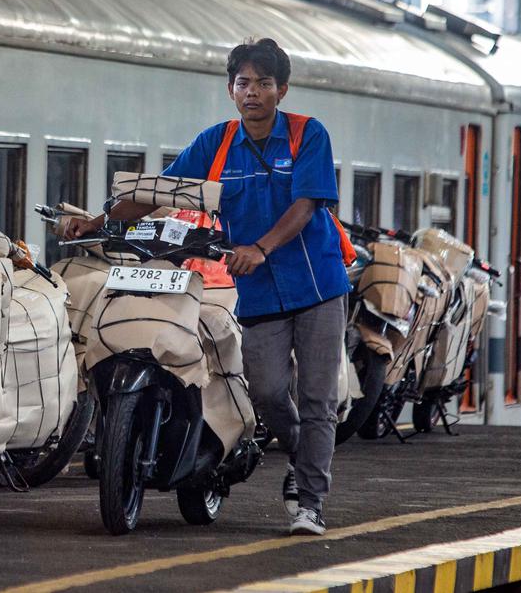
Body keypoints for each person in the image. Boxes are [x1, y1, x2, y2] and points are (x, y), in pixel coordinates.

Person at [63, 38, 348, 536]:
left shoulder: (307, 136)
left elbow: (305, 205)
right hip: (260, 293)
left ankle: (309, 502)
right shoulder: (216, 143)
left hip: (318, 285)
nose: (253, 92)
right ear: (230, 89)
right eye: (244, 83)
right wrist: (95, 221)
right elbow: (156, 193)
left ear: (282, 89)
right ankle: (303, 456)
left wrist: (259, 247)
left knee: (319, 398)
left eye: (263, 83)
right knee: (267, 390)